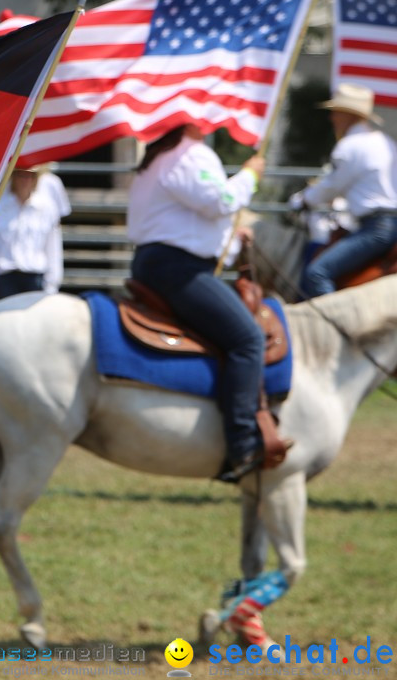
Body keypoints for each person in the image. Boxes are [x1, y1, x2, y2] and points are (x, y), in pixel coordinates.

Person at [126, 124, 267, 484]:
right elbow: (221, 200)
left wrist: (232, 240)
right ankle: (242, 444)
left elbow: (193, 220)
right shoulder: (191, 153)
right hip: (179, 269)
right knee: (247, 339)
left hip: (159, 262)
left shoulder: (160, 157)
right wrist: (250, 174)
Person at [289, 83, 397, 298]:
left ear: (349, 115)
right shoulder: (385, 142)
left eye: (335, 113)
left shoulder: (350, 146)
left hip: (376, 227)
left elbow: (331, 187)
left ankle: (335, 329)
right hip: (386, 225)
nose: (332, 118)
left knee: (317, 273)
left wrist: (303, 200)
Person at [0, 164, 70, 301]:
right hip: (6, 278)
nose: (25, 180)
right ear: (13, 177)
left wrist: (51, 288)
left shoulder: (47, 209)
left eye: (30, 176)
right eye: (21, 175)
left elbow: (53, 250)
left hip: (35, 278)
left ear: (35, 179)